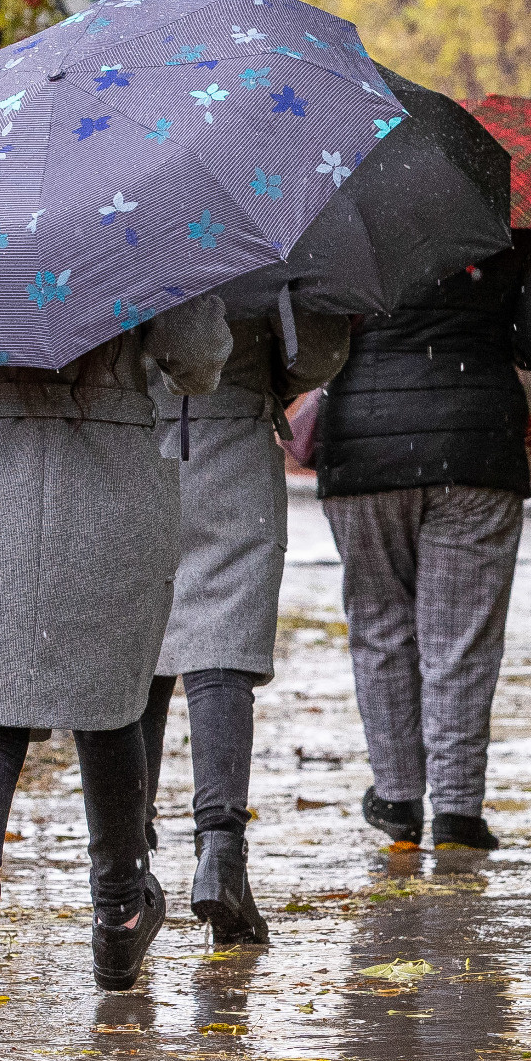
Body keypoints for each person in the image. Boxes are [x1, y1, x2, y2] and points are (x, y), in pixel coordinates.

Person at [0, 296, 233, 1035]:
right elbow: (200, 363)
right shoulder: (145, 209)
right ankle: (120, 910)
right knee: (108, 698)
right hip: (108, 486)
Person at [314, 233, 531, 851]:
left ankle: (398, 796)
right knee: (460, 637)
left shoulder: (339, 207)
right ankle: (458, 812)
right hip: (476, 446)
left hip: (366, 449)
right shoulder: (498, 210)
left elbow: (308, 346)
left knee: (381, 625)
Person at [138, 296, 351, 946]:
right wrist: (267, 377)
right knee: (221, 649)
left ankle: (128, 867)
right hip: (234, 434)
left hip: (132, 442)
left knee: (137, 647)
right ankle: (221, 854)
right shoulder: (264, 211)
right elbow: (319, 349)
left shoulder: (114, 216)